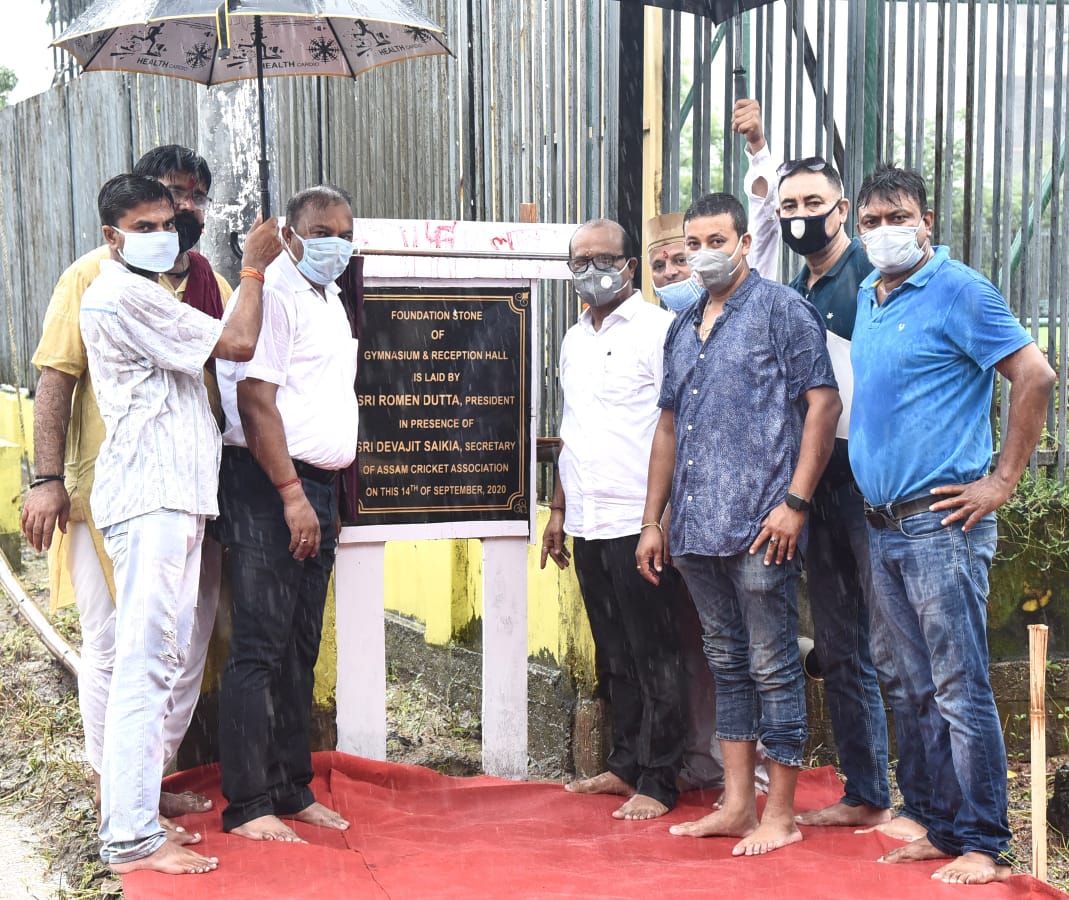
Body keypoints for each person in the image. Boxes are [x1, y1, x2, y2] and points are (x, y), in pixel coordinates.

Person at [849, 164, 1054, 884]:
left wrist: (1000, 481)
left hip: (941, 528)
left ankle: (982, 841)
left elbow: (1035, 374)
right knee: (905, 685)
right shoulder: (870, 297)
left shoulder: (960, 290)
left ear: (925, 220)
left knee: (956, 686)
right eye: (869, 221)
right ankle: (938, 825)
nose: (882, 232)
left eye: (895, 217)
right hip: (880, 527)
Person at [21, 145, 234, 826]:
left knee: (182, 646)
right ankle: (112, 795)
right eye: (172, 198)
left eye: (195, 198)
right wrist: (46, 479)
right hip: (111, 493)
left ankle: (143, 783)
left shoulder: (207, 280)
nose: (184, 213)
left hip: (191, 489)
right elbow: (56, 378)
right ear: (125, 224)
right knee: (116, 649)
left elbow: (225, 384)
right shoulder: (93, 277)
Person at [79, 173, 279, 875]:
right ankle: (130, 838)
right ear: (113, 236)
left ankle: (137, 813)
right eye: (146, 225)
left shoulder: (149, 292)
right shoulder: (121, 292)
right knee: (145, 661)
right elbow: (240, 341)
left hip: (175, 494)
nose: (164, 233)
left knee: (163, 660)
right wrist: (254, 263)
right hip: (150, 496)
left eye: (168, 220)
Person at [636, 192, 841, 856]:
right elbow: (667, 427)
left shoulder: (783, 311)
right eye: (692, 244)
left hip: (762, 525)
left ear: (744, 243)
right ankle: (734, 805)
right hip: (694, 529)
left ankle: (778, 814)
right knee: (726, 665)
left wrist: (795, 502)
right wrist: (653, 520)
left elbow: (821, 405)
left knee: (774, 665)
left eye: (715, 241)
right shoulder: (683, 324)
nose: (702, 255)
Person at [215, 184, 359, 842]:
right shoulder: (273, 291)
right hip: (272, 488)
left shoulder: (325, 296)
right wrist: (292, 495)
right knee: (260, 648)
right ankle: (249, 802)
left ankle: (290, 786)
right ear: (290, 234)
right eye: (322, 229)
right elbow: (255, 402)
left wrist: (319, 496)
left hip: (317, 488)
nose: (336, 241)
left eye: (344, 230)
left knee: (300, 644)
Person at [541, 218, 686, 820]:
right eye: (580, 261)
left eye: (603, 259)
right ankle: (624, 765)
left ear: (629, 267)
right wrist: (557, 508)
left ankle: (660, 778)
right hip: (588, 518)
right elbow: (572, 430)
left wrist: (661, 518)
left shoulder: (662, 331)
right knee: (614, 653)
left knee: (656, 653)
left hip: (638, 519)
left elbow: (676, 429)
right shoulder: (573, 339)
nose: (591, 271)